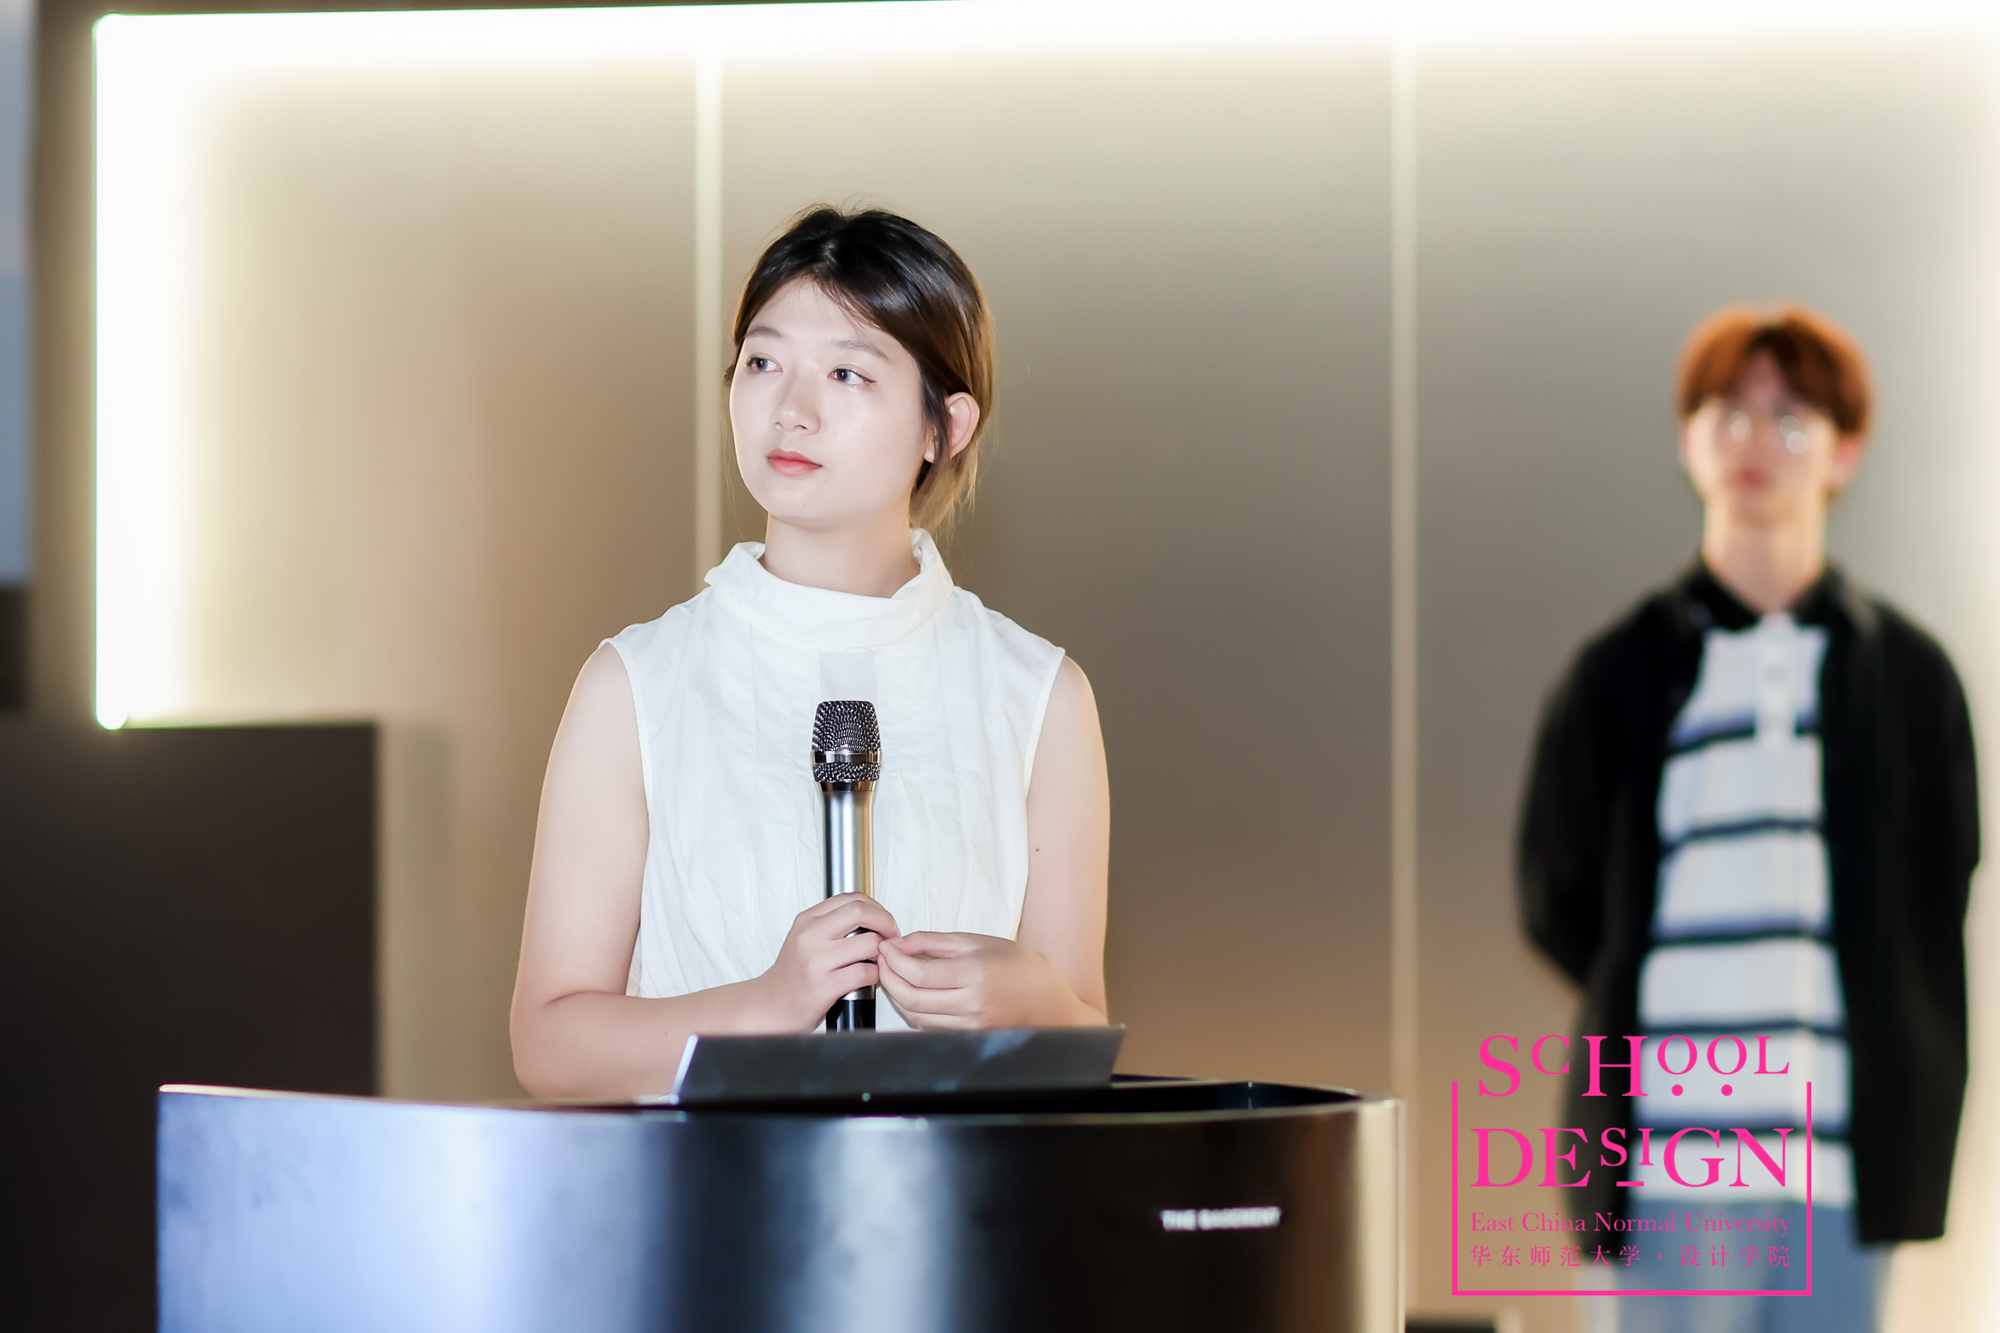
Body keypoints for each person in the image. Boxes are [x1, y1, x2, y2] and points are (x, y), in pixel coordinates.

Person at [510, 207, 1110, 1100]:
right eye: (763, 363)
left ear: (944, 427)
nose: (791, 410)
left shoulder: (1039, 695)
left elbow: (1086, 1030)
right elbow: (549, 1044)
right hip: (711, 1184)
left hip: (961, 1184)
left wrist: (1038, 1002)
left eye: (845, 372)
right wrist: (764, 1006)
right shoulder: (635, 683)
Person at [1517, 306, 1978, 1333]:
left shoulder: (1909, 679)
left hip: (1835, 1169)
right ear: (1687, 440)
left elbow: (1934, 884)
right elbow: (1556, 896)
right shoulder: (1618, 672)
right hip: (1662, 1162)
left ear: (1844, 452)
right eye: (1726, 414)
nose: (1753, 443)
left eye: (1790, 419)